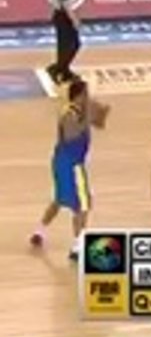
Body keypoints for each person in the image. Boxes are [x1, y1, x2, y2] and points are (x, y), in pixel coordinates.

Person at [29, 79, 109, 261]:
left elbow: (101, 124)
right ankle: (78, 247)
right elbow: (70, 135)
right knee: (83, 204)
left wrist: (102, 112)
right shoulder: (69, 114)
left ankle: (39, 231)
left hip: (64, 162)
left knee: (59, 199)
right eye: (86, 94)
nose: (89, 96)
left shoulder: (82, 110)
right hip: (71, 163)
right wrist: (89, 117)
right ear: (79, 95)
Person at [46, 0, 82, 85]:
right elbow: (65, 4)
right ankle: (58, 70)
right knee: (66, 46)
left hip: (62, 15)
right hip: (62, 16)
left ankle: (61, 69)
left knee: (74, 44)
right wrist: (74, 19)